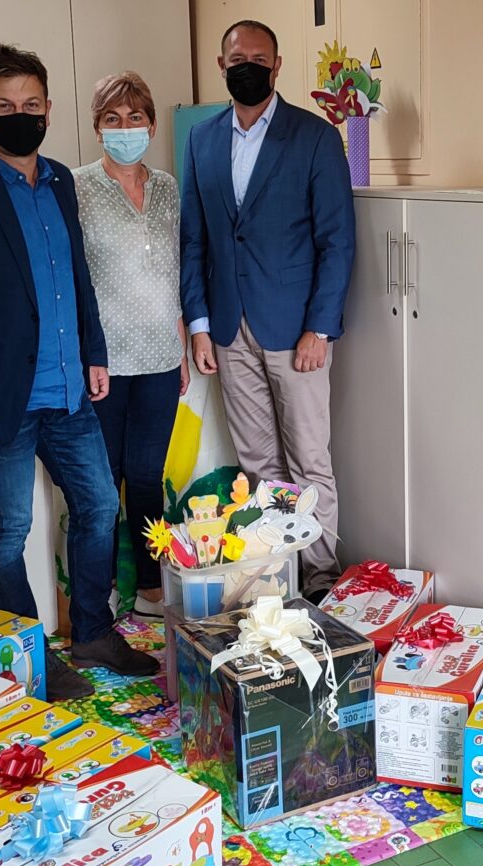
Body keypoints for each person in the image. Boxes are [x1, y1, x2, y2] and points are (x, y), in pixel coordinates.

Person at [0, 43, 157, 700]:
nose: (19, 116)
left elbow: (77, 279)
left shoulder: (60, 183)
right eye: (4, 107)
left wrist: (95, 352)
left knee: (99, 505)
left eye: (29, 104)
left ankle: (94, 631)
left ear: (48, 109)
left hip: (70, 392)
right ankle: (31, 656)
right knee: (7, 530)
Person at [180, 19, 355, 595]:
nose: (248, 68)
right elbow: (194, 239)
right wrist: (200, 325)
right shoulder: (201, 140)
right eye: (238, 60)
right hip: (227, 330)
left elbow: (336, 241)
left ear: (277, 66)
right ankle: (283, 576)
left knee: (309, 461)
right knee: (259, 464)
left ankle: (322, 577)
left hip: (296, 329)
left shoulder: (315, 137)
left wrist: (320, 329)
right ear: (222, 65)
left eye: (259, 59)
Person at [73, 72, 187, 621]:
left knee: (145, 479)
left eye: (135, 117)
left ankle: (149, 588)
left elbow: (174, 270)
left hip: (161, 356)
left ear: (152, 125)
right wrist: (82, 354)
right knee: (102, 485)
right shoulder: (75, 188)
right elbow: (71, 278)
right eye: (113, 119)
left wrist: (181, 344)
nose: (125, 128)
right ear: (97, 128)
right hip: (104, 361)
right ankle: (95, 599)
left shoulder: (168, 187)